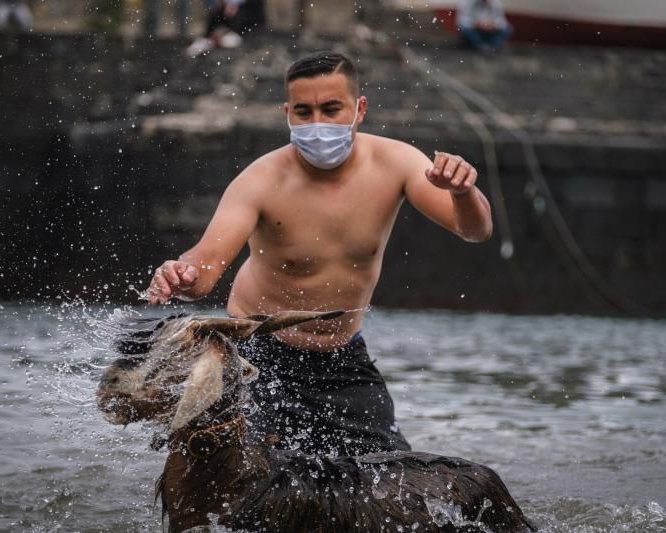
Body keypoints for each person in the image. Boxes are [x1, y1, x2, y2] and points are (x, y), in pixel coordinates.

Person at [147, 51, 493, 456]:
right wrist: (179, 274)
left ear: (359, 109)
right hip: (259, 358)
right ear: (287, 113)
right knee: (254, 485)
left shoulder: (396, 162)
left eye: (331, 109)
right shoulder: (260, 180)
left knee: (393, 479)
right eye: (304, 112)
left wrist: (462, 191)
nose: (318, 125)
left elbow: (475, 230)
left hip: (343, 358)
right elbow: (203, 269)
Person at [185, 0, 264, 57]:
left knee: (240, 18)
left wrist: (233, 4)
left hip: (249, 12)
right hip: (229, 11)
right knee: (215, 14)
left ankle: (221, 40)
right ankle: (208, 40)